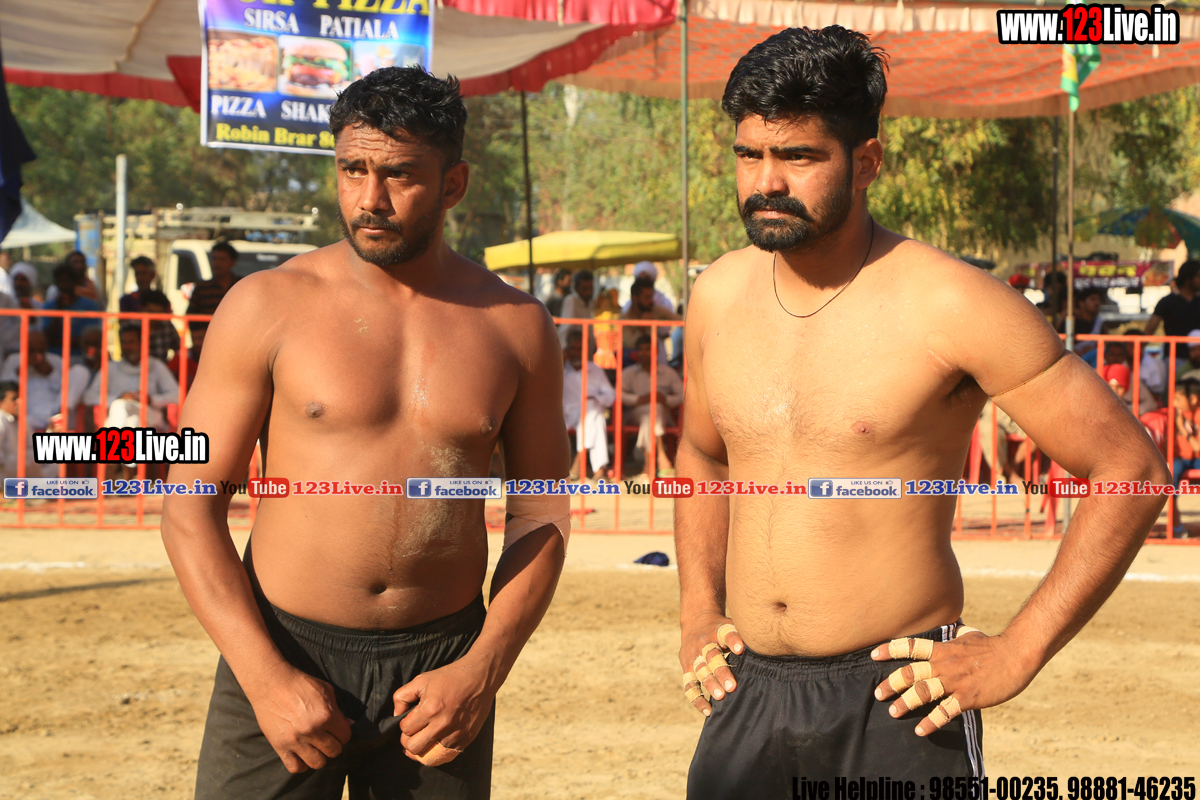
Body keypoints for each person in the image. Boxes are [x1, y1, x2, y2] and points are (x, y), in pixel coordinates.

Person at [674, 26, 1168, 795]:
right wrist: (697, 610)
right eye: (748, 154)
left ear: (867, 162)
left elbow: (1129, 470)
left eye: (798, 156)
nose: (765, 181)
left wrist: (1017, 650)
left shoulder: (953, 304)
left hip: (898, 697)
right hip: (746, 690)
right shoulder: (716, 295)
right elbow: (703, 457)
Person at [161, 66, 569, 800]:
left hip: (444, 667)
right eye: (353, 170)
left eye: (399, 175)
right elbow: (189, 506)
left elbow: (542, 516)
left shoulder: (517, 326)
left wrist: (483, 669)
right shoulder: (266, 305)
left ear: (453, 184)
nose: (369, 199)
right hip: (284, 650)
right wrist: (266, 677)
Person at [85, 324, 179, 431]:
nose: (126, 347)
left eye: (131, 342)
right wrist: (118, 397)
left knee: (121, 406)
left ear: (142, 343)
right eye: (123, 342)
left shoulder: (156, 366)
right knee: (133, 420)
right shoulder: (111, 367)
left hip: (150, 415)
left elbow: (177, 395)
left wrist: (150, 399)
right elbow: (89, 396)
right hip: (123, 418)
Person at [622, 334, 683, 477]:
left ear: (656, 351)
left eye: (648, 349)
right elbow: (618, 394)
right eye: (641, 349)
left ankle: (648, 466)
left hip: (663, 415)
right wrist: (639, 399)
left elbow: (683, 395)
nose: (644, 353)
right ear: (636, 352)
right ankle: (661, 456)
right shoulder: (629, 373)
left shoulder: (668, 373)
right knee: (652, 411)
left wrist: (666, 399)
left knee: (653, 411)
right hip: (635, 414)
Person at [562, 327, 615, 480]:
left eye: (580, 349)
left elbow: (611, 395)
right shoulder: (559, 368)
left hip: (590, 413)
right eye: (573, 349)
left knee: (593, 413)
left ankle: (584, 463)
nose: (577, 353)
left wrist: (595, 398)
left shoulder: (595, 369)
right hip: (566, 415)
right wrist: (562, 361)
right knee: (594, 414)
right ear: (567, 349)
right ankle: (598, 469)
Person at [0, 330, 63, 431]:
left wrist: (50, 373)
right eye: (32, 350)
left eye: (40, 350)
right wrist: (21, 368)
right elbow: (5, 388)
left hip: (51, 415)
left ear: (46, 347)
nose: (36, 355)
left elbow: (64, 389)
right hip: (24, 417)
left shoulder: (56, 360)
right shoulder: (14, 360)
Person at [39, 263, 100, 359]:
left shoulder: (90, 306)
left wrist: (57, 341)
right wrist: (58, 311)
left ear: (75, 282)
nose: (64, 285)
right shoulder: (48, 307)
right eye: (60, 282)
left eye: (67, 281)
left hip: (80, 357)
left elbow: (88, 339)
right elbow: (47, 338)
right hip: (53, 358)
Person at [620, 277, 681, 366]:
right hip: (633, 366)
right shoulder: (625, 319)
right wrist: (641, 328)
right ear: (635, 298)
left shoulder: (655, 309)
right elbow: (629, 344)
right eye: (647, 297)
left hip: (658, 363)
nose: (651, 300)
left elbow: (678, 319)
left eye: (651, 296)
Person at [185, 242, 240, 331]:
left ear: (232, 262)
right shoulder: (201, 288)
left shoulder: (241, 286)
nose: (217, 263)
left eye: (222, 259)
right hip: (208, 335)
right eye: (214, 259)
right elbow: (191, 316)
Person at [1145, 260, 1200, 339]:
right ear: (1188, 279)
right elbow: (1149, 330)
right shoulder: (1167, 302)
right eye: (1198, 277)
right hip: (1174, 347)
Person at [0, 380, 41, 480]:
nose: (19, 402)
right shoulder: (1, 419)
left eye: (20, 398)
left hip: (19, 475)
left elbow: (34, 450)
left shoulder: (21, 420)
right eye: (14, 399)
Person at [139, 290, 182, 363]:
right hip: (133, 370)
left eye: (158, 313)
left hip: (161, 369)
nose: (153, 317)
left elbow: (180, 350)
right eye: (150, 312)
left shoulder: (167, 326)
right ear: (141, 309)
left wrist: (171, 366)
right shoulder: (131, 326)